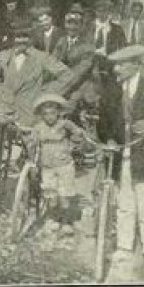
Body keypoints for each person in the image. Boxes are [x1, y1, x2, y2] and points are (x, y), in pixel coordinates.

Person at [98, 45, 144, 282]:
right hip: (122, 153)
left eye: (121, 64)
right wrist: (108, 138)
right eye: (115, 65)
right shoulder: (112, 91)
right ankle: (124, 246)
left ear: (136, 64)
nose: (117, 69)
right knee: (124, 201)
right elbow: (104, 120)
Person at [0, 15, 75, 127]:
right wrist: (1, 93)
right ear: (13, 38)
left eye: (25, 36)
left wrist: (45, 94)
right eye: (18, 36)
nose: (21, 40)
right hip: (5, 114)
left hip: (30, 114)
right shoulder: (3, 56)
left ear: (31, 38)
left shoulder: (41, 57)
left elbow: (67, 75)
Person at [32, 94, 85, 237]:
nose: (49, 117)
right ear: (42, 115)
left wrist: (73, 144)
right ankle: (53, 218)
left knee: (65, 194)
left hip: (64, 164)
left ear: (58, 113)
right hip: (47, 165)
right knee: (50, 194)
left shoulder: (65, 124)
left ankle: (67, 222)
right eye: (45, 114)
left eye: (52, 113)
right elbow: (33, 144)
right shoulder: (38, 128)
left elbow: (78, 133)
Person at [53, 8, 96, 96]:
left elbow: (80, 71)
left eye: (76, 24)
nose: (72, 27)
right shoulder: (61, 41)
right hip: (62, 83)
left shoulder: (88, 45)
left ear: (81, 26)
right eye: (69, 23)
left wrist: (60, 88)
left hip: (81, 85)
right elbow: (53, 62)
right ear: (65, 24)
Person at [92, 0, 127, 85]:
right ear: (96, 12)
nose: (102, 14)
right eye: (99, 11)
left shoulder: (117, 29)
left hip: (109, 63)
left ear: (109, 12)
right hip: (90, 62)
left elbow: (123, 47)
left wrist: (118, 64)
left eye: (105, 11)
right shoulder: (88, 27)